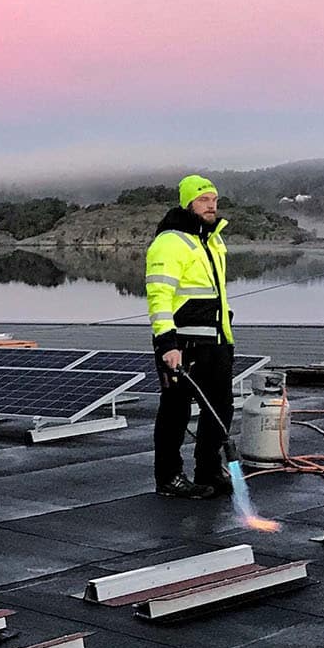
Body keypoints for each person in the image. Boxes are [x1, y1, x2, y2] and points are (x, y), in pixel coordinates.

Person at [144, 174, 236, 498]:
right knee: (175, 412)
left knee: (220, 408)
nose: (211, 206)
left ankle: (208, 470)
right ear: (188, 204)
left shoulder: (213, 241)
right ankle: (169, 477)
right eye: (203, 200)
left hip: (217, 341)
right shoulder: (170, 242)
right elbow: (159, 296)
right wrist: (167, 343)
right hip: (182, 344)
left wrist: (225, 337)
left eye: (214, 200)